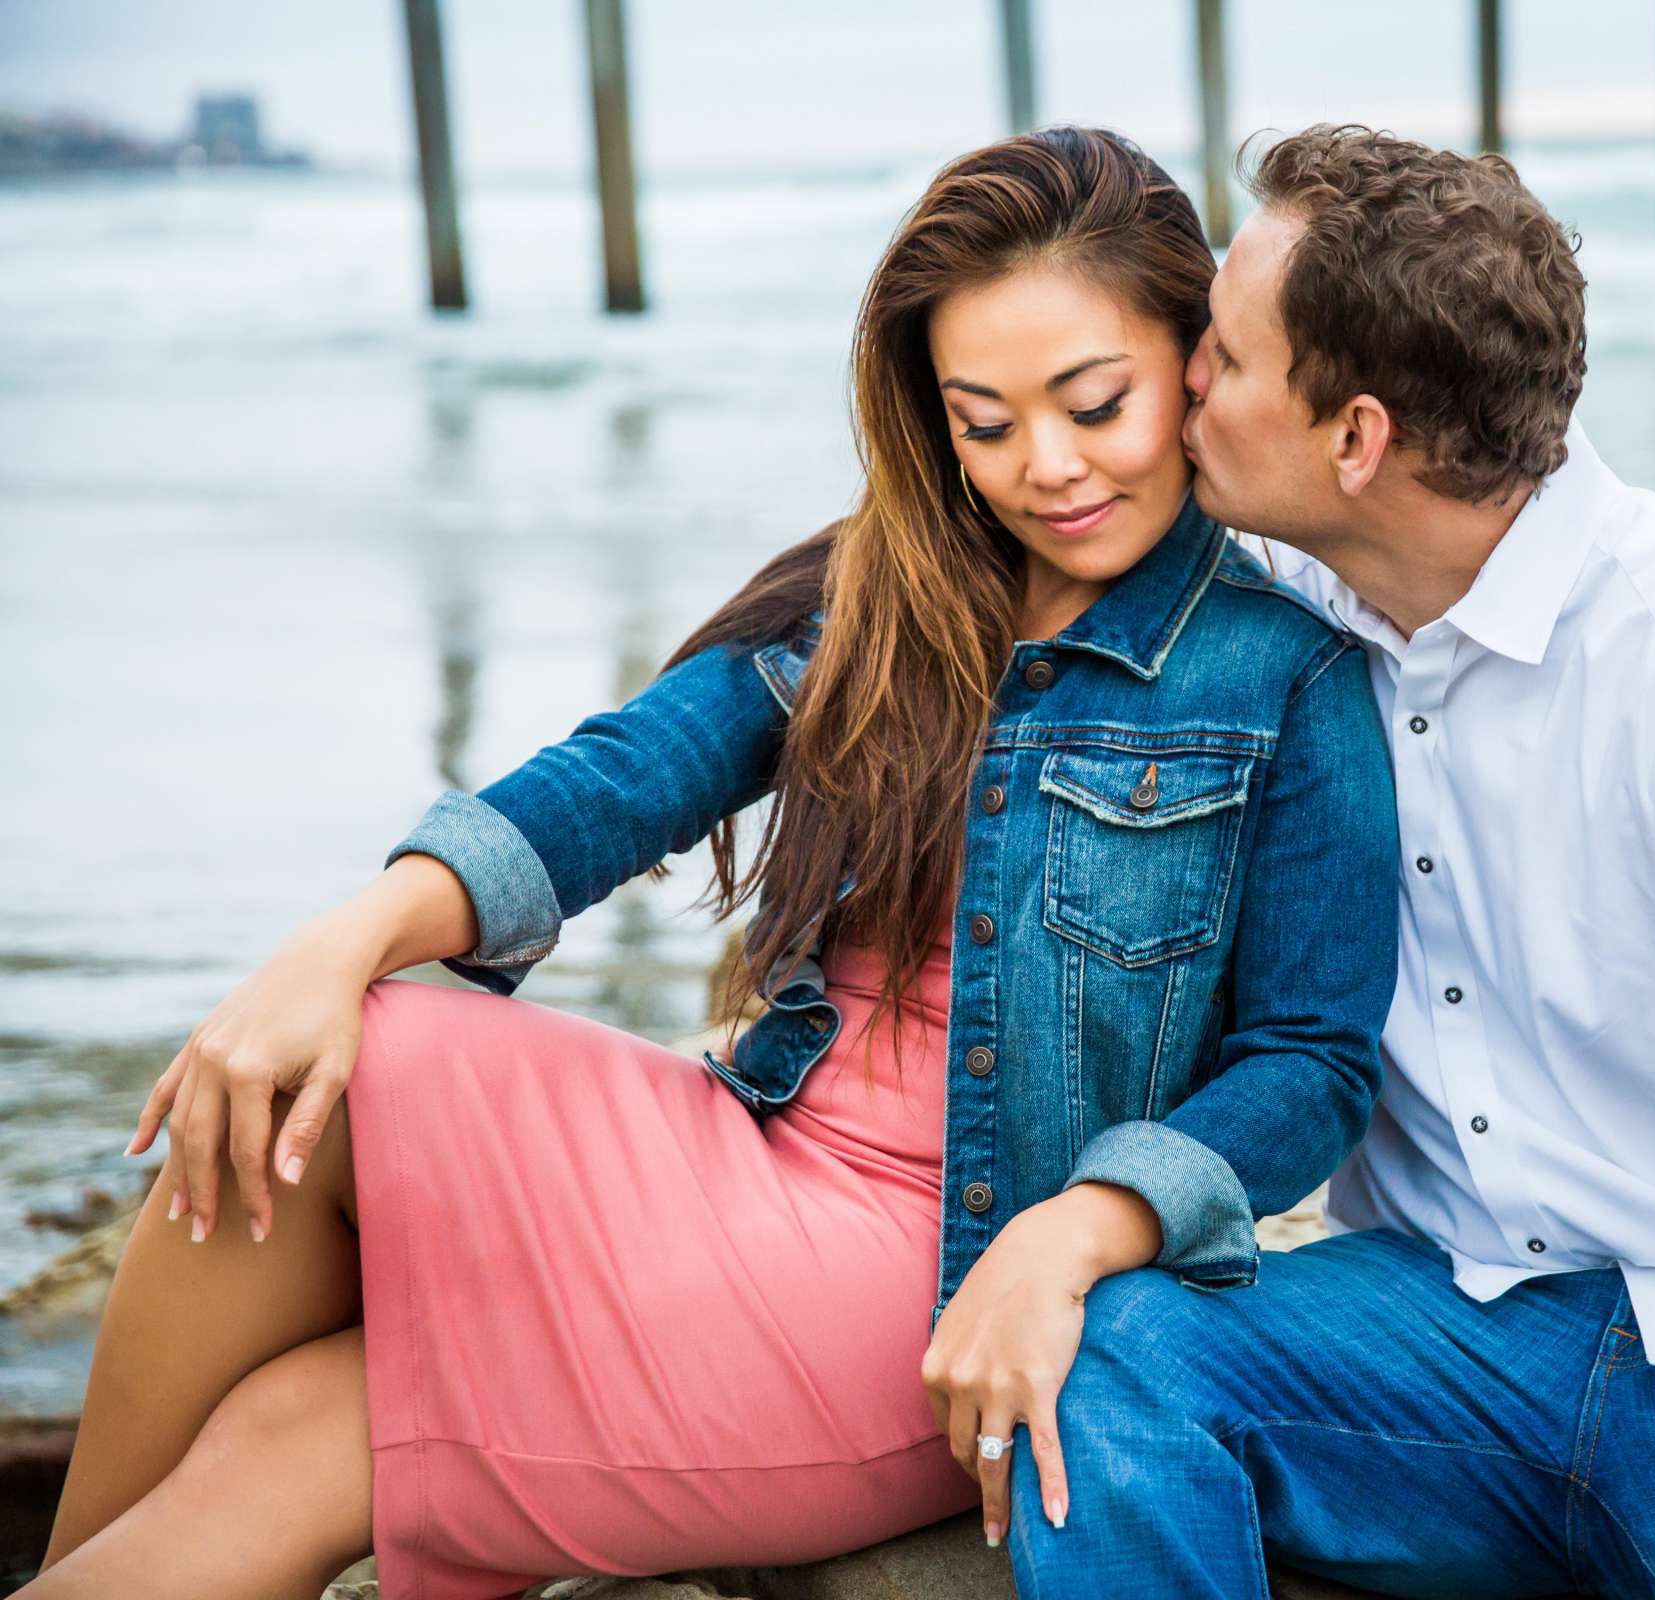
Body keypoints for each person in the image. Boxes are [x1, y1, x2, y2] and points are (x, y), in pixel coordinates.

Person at [34, 126, 1399, 1600]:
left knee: (313, 1403)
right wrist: (335, 943)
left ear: (1194, 364)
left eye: (1094, 404)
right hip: (750, 1148)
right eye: (983, 421)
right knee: (316, 1106)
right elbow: (626, 778)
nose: (1044, 468)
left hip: (942, 1281)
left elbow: (1310, 1063)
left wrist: (1091, 1222)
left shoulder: (1286, 677)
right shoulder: (889, 590)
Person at [1007, 124, 1655, 1599]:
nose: (1180, 388)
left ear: (1357, 440)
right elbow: (949, 569)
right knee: (1108, 1358)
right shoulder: (1277, 606)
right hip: (1431, 1335)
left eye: (1218, 354)